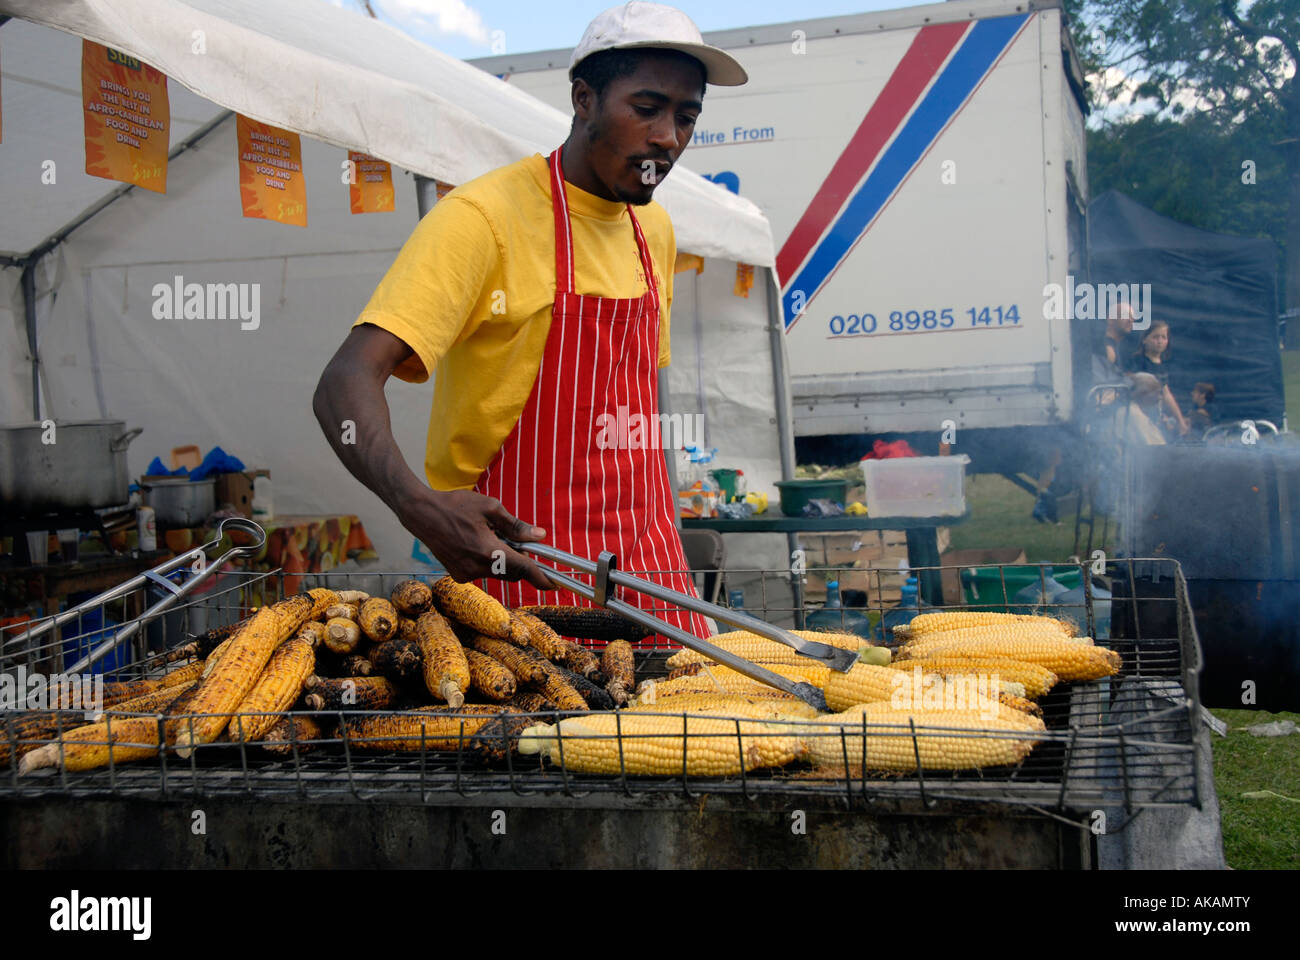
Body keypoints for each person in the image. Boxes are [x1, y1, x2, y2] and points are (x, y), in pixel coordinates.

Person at [313, 3, 748, 639]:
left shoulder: (652, 225)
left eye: (686, 118)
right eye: (647, 108)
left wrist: (669, 523)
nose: (667, 138)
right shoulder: (483, 218)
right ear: (583, 99)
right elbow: (342, 383)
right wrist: (417, 505)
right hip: (525, 570)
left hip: (648, 562)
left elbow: (644, 395)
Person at [1129, 320, 1188, 438]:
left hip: (1156, 416)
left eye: (1164, 337)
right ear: (1145, 339)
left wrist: (1181, 421)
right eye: (1155, 337)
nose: (1160, 341)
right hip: (1140, 416)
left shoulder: (1162, 366)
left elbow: (1167, 394)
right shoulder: (1138, 361)